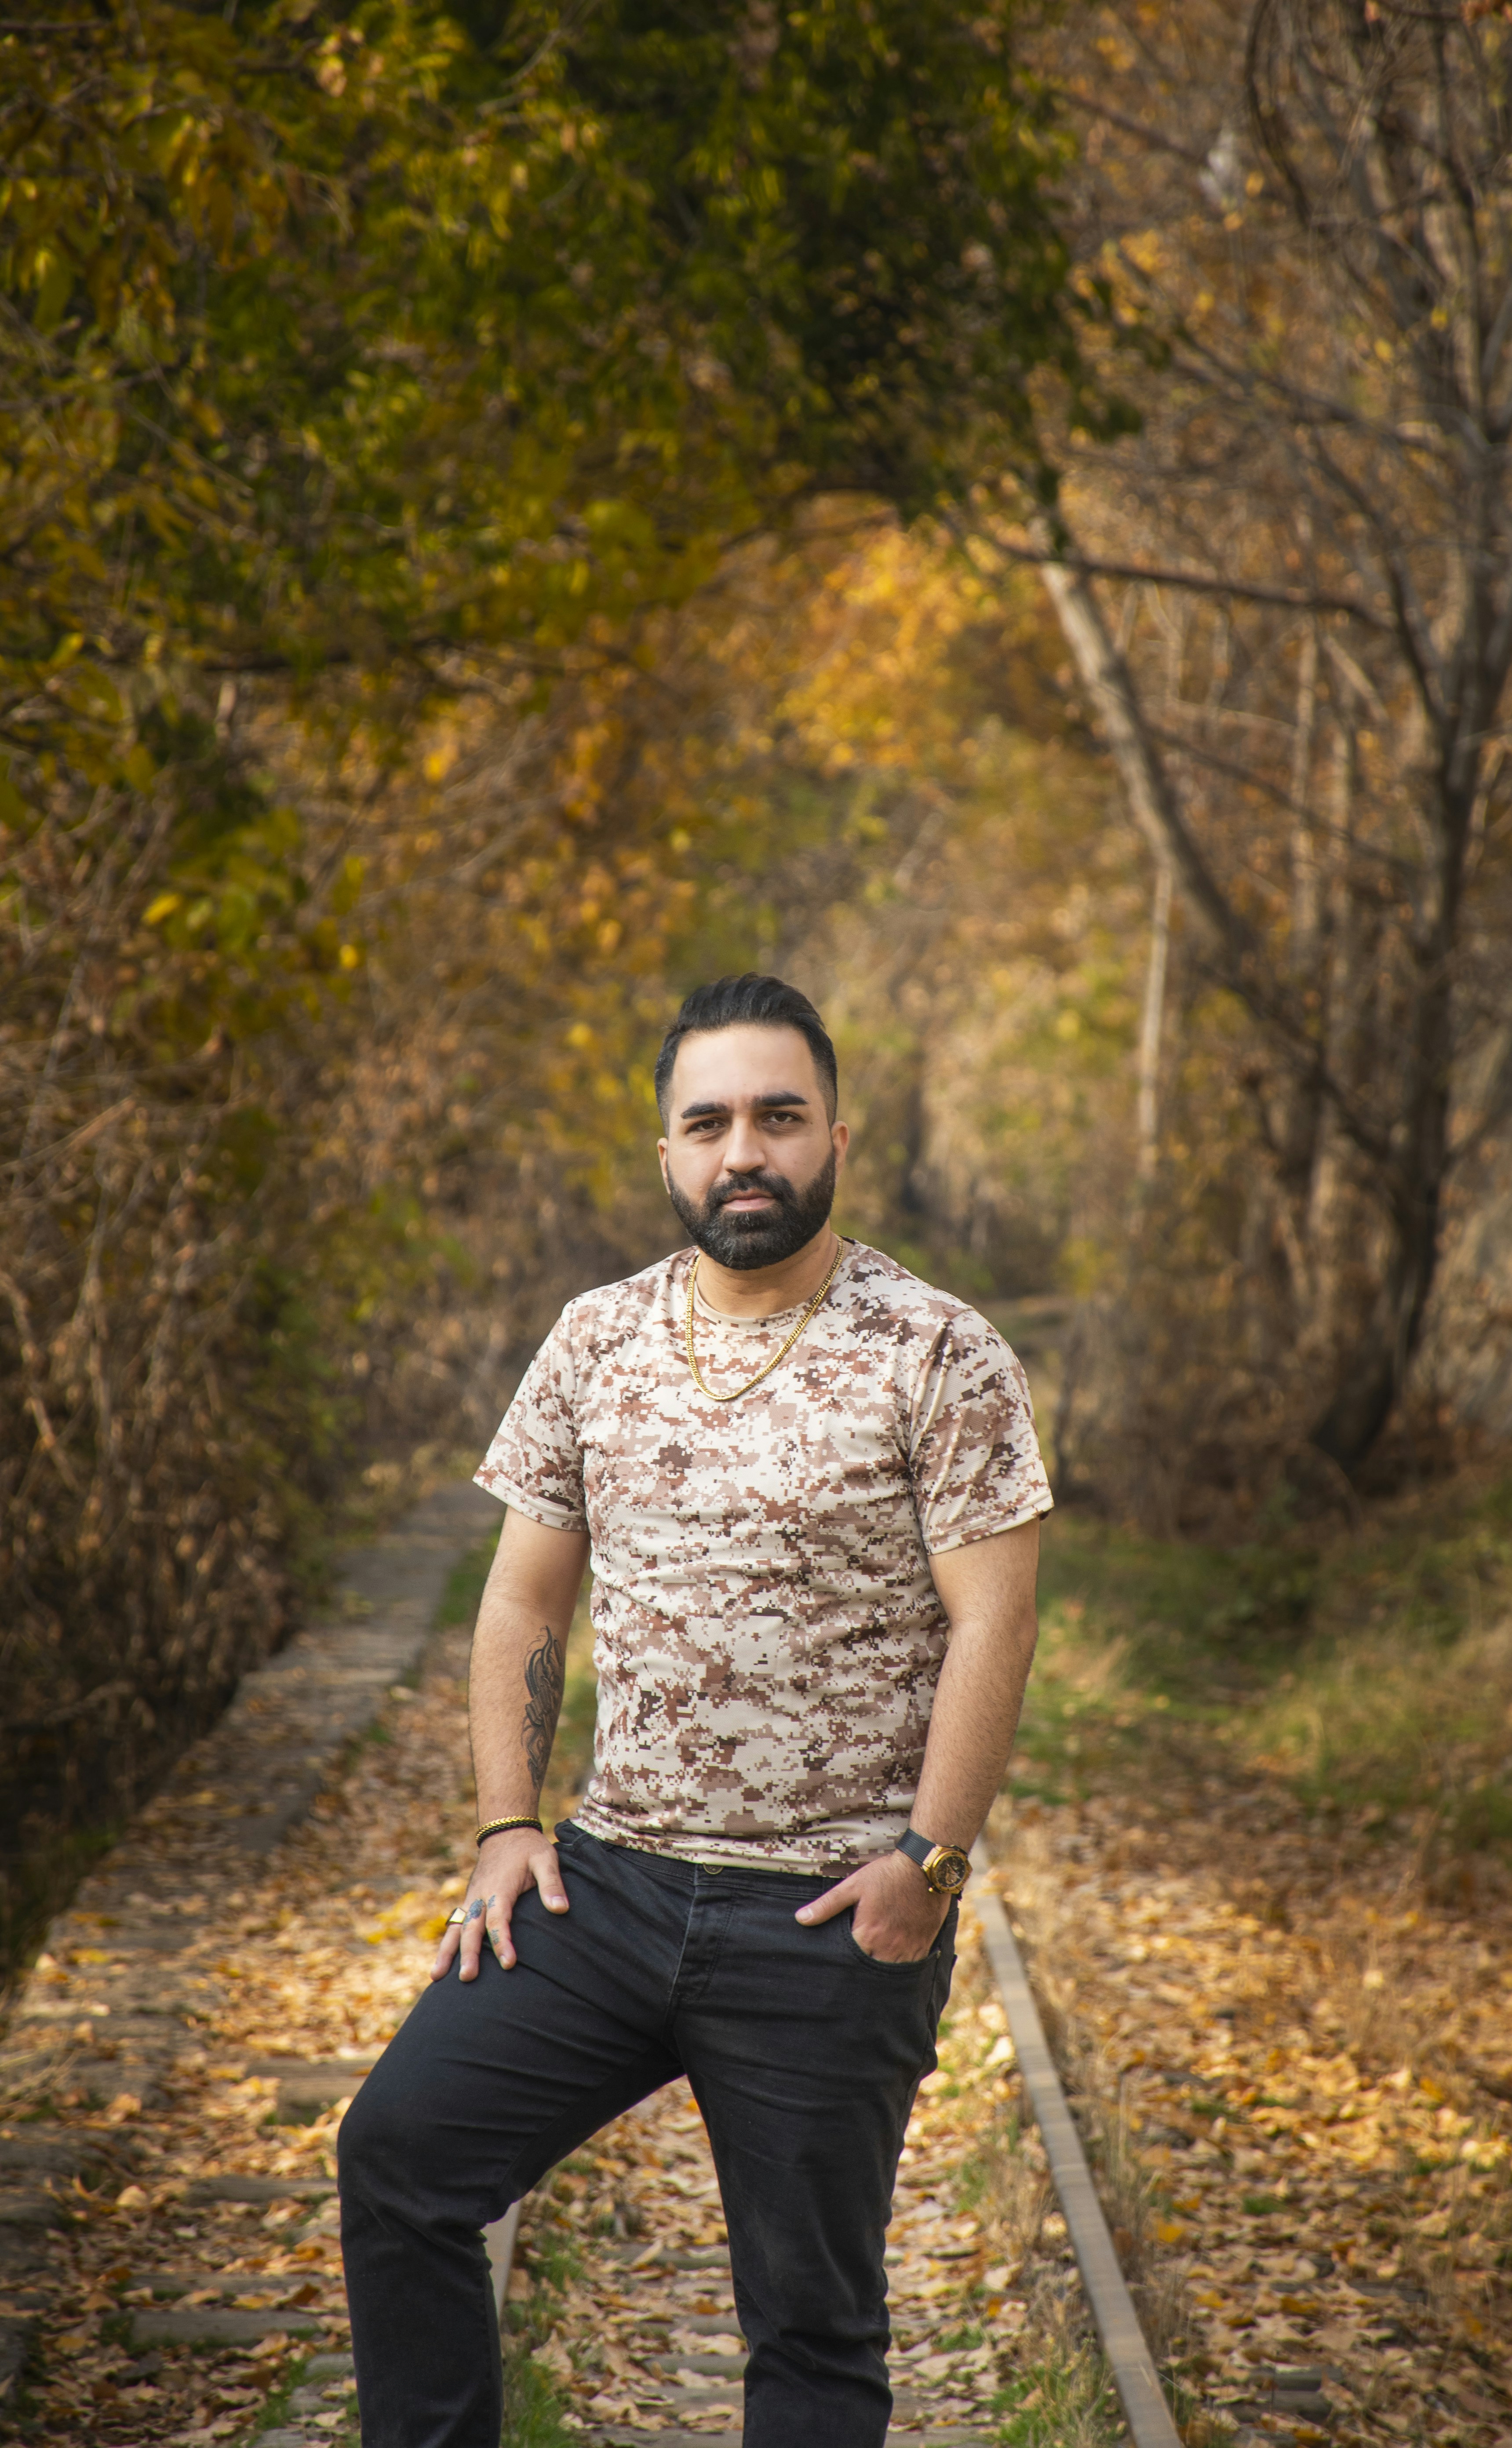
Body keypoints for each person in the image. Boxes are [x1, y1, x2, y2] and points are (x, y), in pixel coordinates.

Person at [338, 972, 1053, 2448]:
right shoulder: (596, 1339)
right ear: (667, 1153)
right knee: (400, 2154)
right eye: (710, 1122)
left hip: (826, 1913)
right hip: (608, 1886)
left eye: (778, 1118)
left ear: (836, 1139)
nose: (746, 1152)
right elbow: (523, 1604)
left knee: (810, 2327)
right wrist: (503, 1828)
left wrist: (927, 1864)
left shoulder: (937, 1348)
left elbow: (997, 1616)